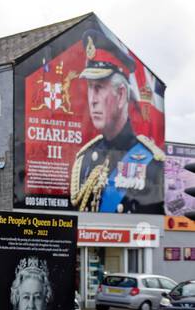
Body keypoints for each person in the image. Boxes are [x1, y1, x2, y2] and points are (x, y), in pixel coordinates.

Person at [69, 30, 164, 214]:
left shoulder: (152, 163)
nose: (92, 99)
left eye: (99, 88)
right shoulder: (85, 159)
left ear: (121, 95)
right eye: (90, 88)